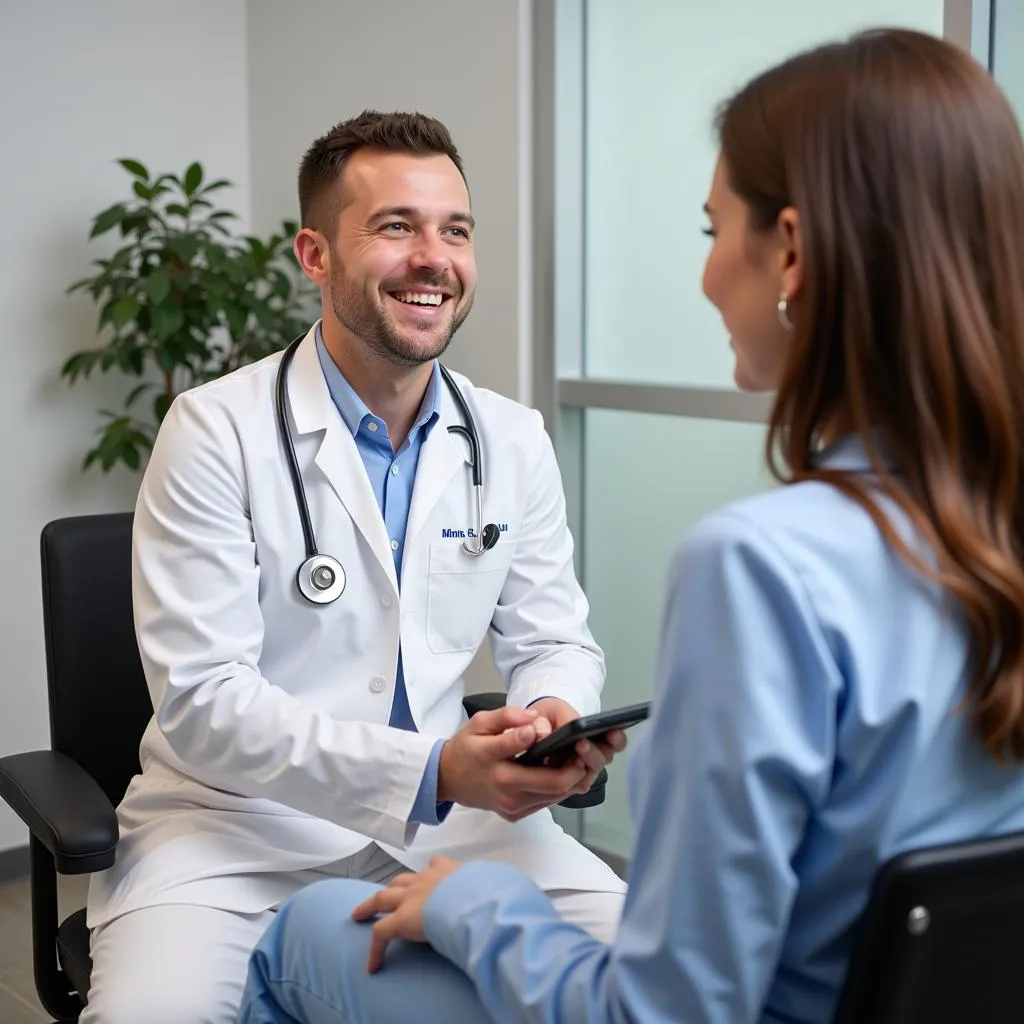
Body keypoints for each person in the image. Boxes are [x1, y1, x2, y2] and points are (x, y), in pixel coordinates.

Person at [237, 27, 1024, 1024]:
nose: (702, 279)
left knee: (308, 931)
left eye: (710, 233)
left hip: (592, 925)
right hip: (256, 818)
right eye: (396, 227)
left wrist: (481, 886)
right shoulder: (984, 524)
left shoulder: (759, 565)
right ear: (316, 255)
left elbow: (664, 1011)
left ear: (789, 251)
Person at [80, 110, 628, 1024]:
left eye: (455, 230)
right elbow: (205, 701)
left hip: (461, 831)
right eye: (395, 227)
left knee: (638, 980)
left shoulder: (511, 439)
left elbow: (555, 636)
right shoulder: (214, 431)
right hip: (233, 829)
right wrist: (431, 771)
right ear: (315, 255)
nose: (434, 257)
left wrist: (557, 713)